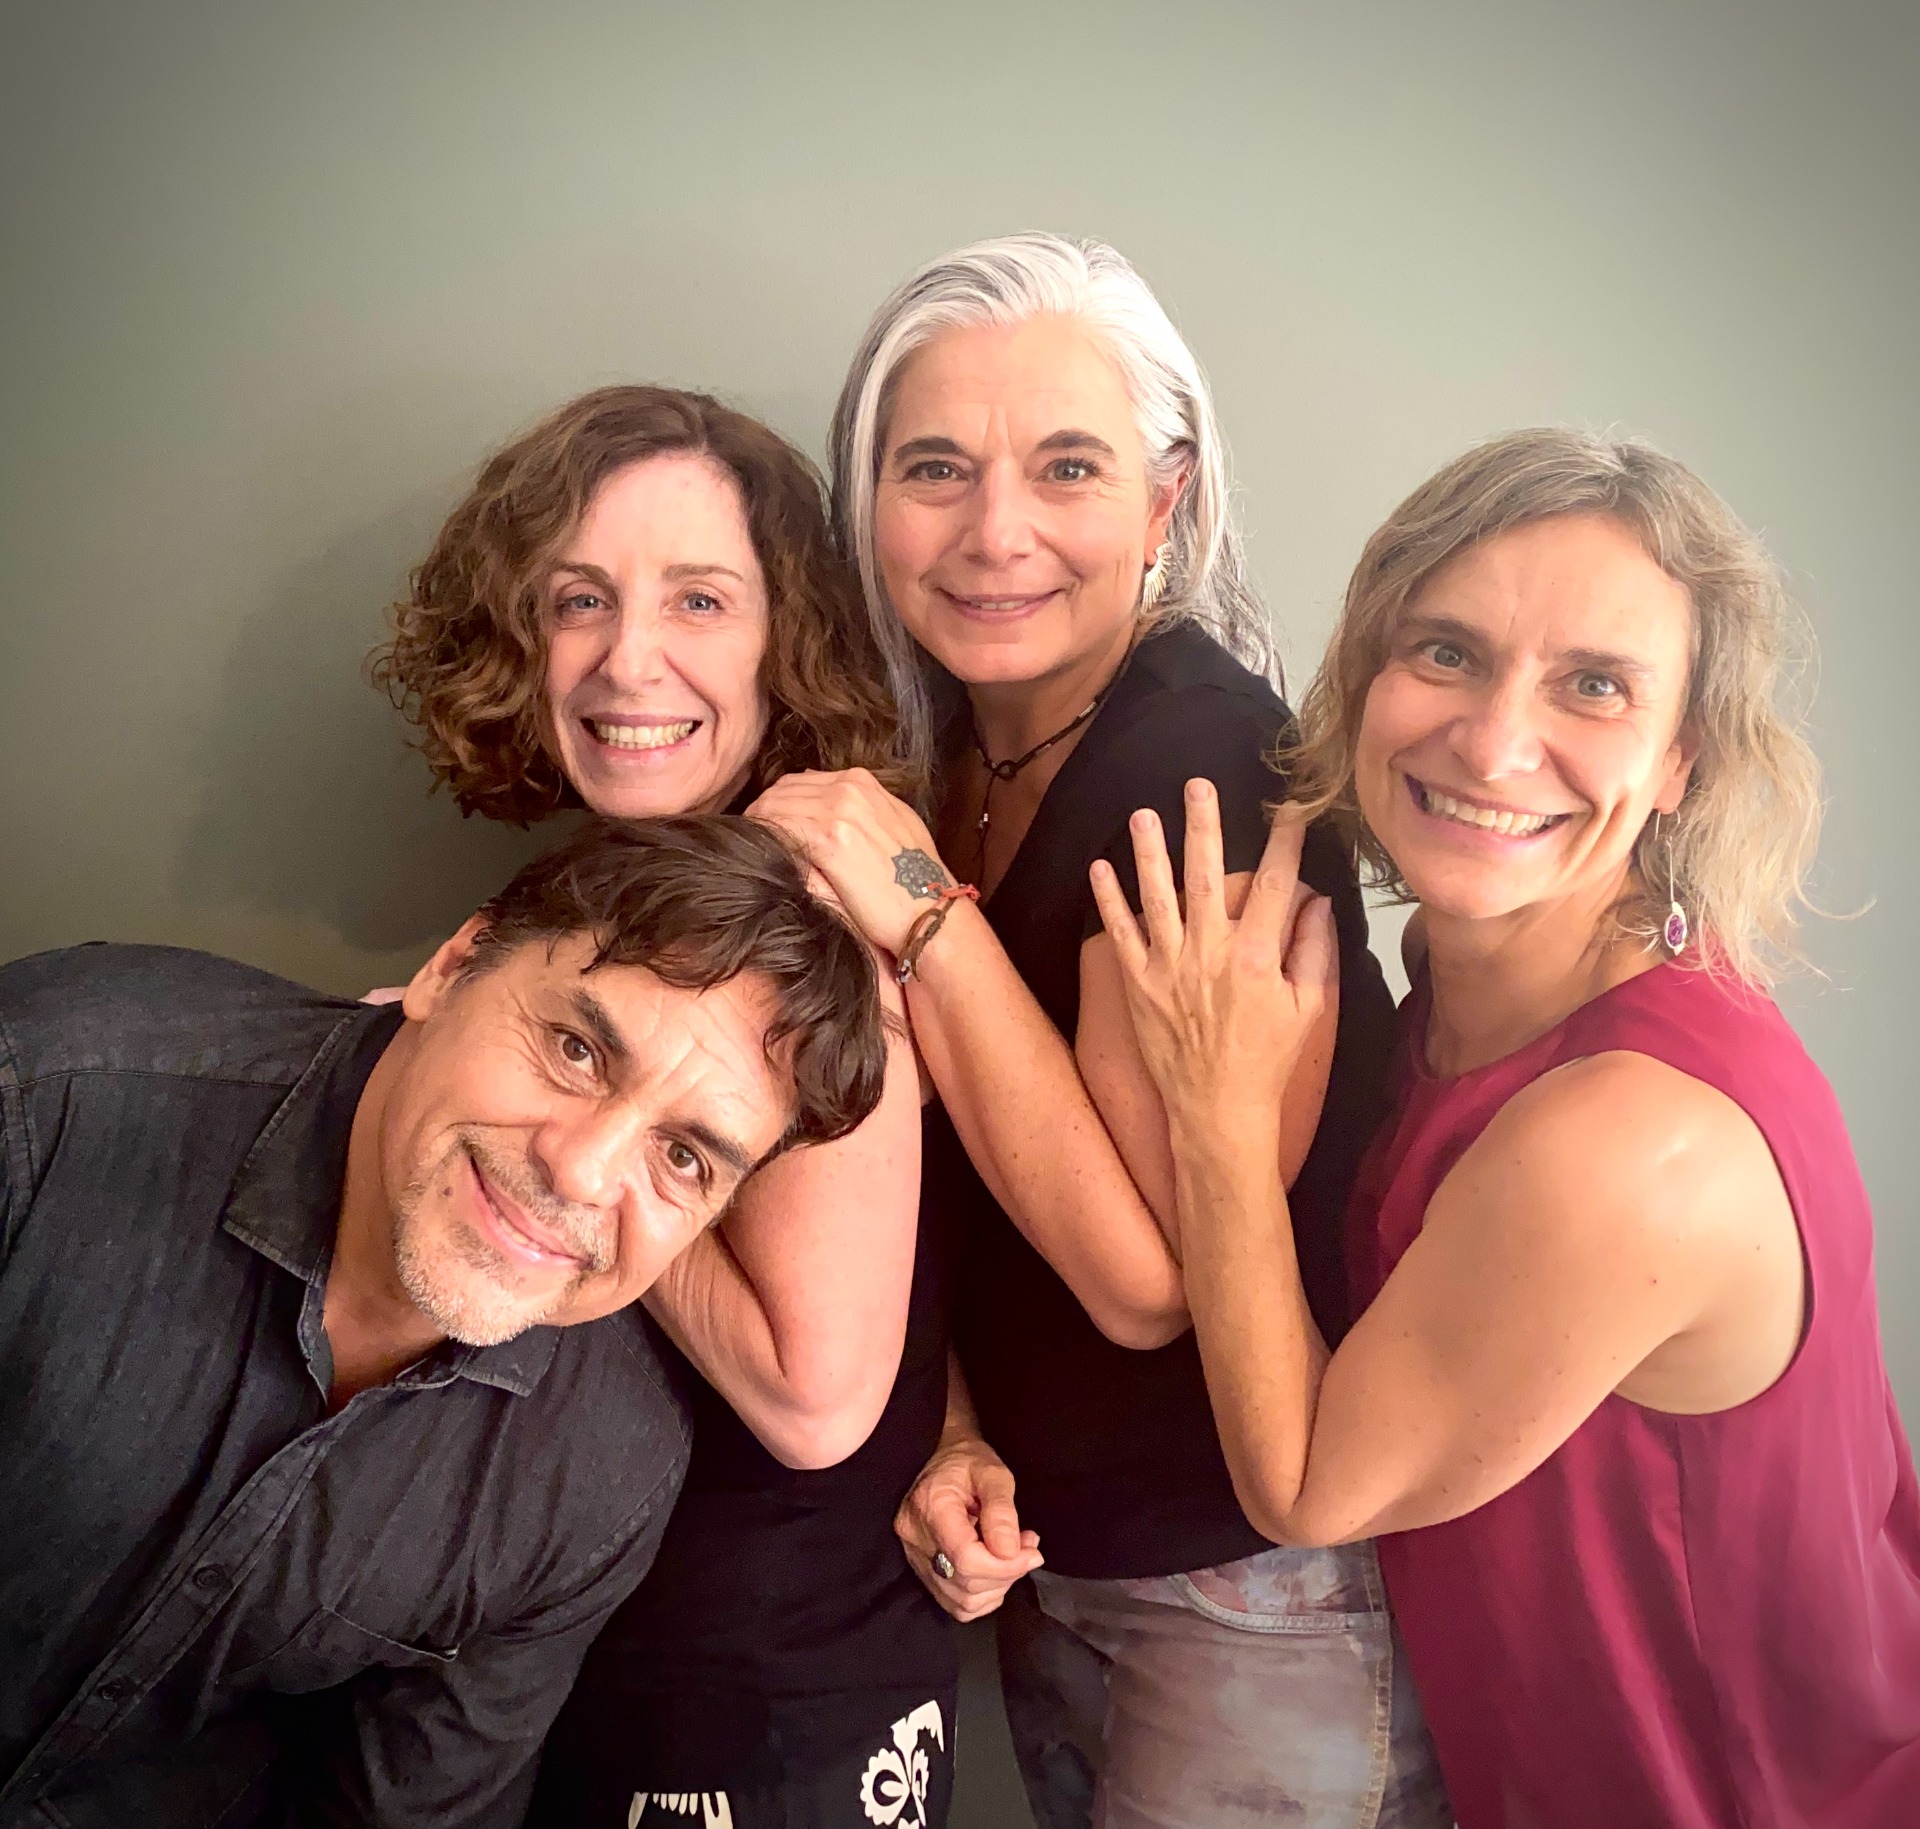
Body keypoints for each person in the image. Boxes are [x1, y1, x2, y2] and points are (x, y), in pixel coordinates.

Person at [1092, 428, 1920, 1827]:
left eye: (1594, 684)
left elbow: (1307, 1485)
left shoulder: (1631, 1138)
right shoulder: (1477, 981)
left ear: (1680, 760)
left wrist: (1217, 1111)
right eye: (1448, 652)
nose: (1492, 741)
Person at [753, 233, 1448, 1826]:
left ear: (1167, 499)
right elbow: (950, 1182)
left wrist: (921, 911)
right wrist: (955, 1424)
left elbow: (1145, 1281)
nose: (995, 532)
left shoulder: (1200, 771)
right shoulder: (938, 754)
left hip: (1248, 1593)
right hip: (1055, 1563)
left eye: (1067, 467)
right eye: (936, 468)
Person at [0, 815, 888, 1829]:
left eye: (682, 1157)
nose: (582, 1170)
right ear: (451, 966)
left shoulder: (599, 1464)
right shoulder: (44, 1097)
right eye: (576, 1049)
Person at [372, 386, 956, 1827]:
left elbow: (817, 1396)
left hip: (760, 1696)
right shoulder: (623, 892)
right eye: (581, 599)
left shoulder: (809, 921)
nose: (628, 658)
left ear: (783, 642)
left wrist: (535, 1158)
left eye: (699, 599)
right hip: (605, 1650)